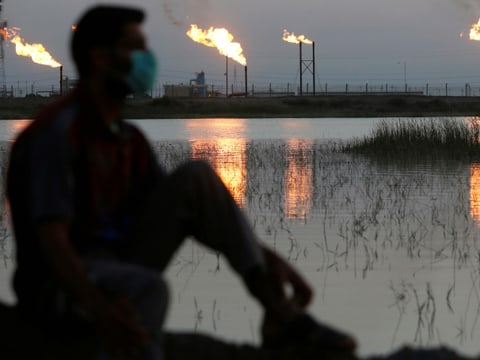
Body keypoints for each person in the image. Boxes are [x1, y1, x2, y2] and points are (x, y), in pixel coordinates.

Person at [5, 4, 356, 359]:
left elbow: (184, 211)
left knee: (196, 178)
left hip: (116, 263)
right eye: (136, 49)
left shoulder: (128, 140)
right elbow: (52, 243)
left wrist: (264, 257)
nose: (147, 60)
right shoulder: (56, 136)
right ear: (100, 58)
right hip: (59, 287)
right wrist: (101, 309)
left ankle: (279, 311)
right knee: (150, 288)